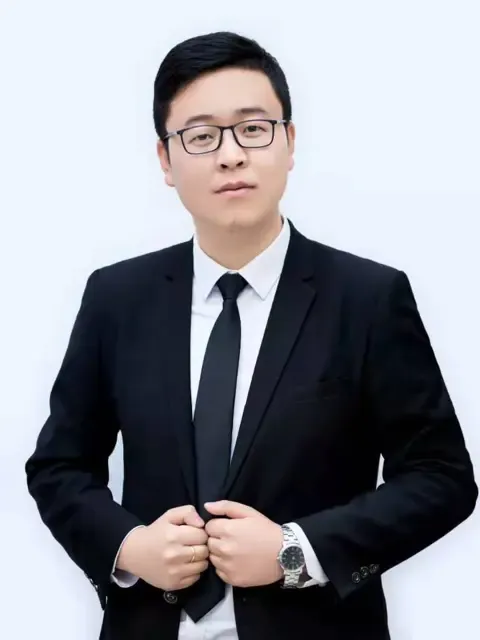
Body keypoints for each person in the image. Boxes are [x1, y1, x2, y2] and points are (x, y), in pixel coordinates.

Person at [25, 31, 477, 640]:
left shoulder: (368, 298)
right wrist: (129, 547)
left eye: (253, 129)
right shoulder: (117, 298)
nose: (231, 155)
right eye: (201, 136)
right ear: (166, 160)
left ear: (289, 142)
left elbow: (441, 478)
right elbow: (59, 467)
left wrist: (298, 551)